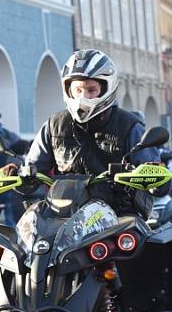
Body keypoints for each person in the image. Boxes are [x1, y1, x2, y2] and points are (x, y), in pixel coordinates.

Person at [22, 49, 161, 217]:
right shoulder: (54, 125)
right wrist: (20, 175)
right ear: (68, 89)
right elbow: (33, 169)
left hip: (118, 218)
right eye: (78, 90)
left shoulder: (129, 126)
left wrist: (154, 174)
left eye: (91, 90)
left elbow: (156, 178)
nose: (83, 97)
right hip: (63, 216)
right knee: (29, 236)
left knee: (143, 241)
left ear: (106, 88)